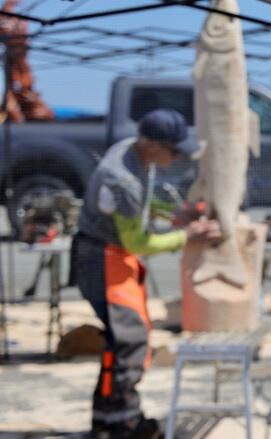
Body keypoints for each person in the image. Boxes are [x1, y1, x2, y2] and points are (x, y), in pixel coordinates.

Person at [74, 108, 222, 439]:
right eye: (174, 150)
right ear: (152, 145)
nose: (178, 157)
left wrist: (174, 214)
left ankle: (108, 418)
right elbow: (138, 241)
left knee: (120, 339)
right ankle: (124, 424)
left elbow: (141, 204)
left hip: (108, 254)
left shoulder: (133, 153)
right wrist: (188, 236)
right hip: (101, 258)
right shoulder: (122, 180)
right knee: (131, 339)